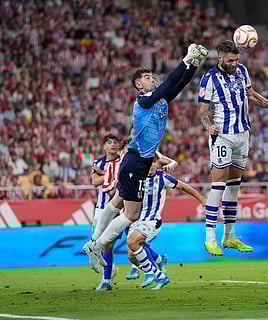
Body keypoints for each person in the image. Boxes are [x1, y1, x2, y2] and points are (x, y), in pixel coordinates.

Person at [84, 44, 208, 274]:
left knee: (117, 203)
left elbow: (178, 83)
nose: (154, 80)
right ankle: (97, 246)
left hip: (135, 161)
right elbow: (168, 84)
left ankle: (94, 241)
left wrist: (193, 64)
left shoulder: (158, 100)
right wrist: (186, 58)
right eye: (149, 77)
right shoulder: (143, 101)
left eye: (153, 77)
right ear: (139, 85)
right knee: (130, 214)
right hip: (137, 161)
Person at [198, 40, 268, 256]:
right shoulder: (209, 78)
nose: (235, 63)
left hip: (243, 135)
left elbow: (252, 95)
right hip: (223, 136)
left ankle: (229, 237)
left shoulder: (242, 71)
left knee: (234, 187)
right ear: (219, 58)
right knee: (218, 185)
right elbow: (202, 109)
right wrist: (208, 125)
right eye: (231, 60)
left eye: (237, 59)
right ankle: (210, 238)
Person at [127, 152, 206, 290]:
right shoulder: (137, 177)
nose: (149, 165)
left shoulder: (163, 178)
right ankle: (159, 267)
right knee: (132, 256)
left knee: (134, 242)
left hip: (152, 220)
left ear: (158, 163)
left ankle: (153, 274)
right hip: (137, 220)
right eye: (147, 162)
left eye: (152, 162)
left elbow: (184, 187)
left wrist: (202, 199)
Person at [89, 134, 121, 292]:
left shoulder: (122, 161)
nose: (113, 145)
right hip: (101, 208)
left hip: (120, 208)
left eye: (115, 142)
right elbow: (95, 182)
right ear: (104, 147)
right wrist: (109, 175)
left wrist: (103, 173)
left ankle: (106, 279)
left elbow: (119, 179)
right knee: (98, 244)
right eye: (109, 142)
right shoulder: (98, 162)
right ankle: (109, 273)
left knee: (110, 244)